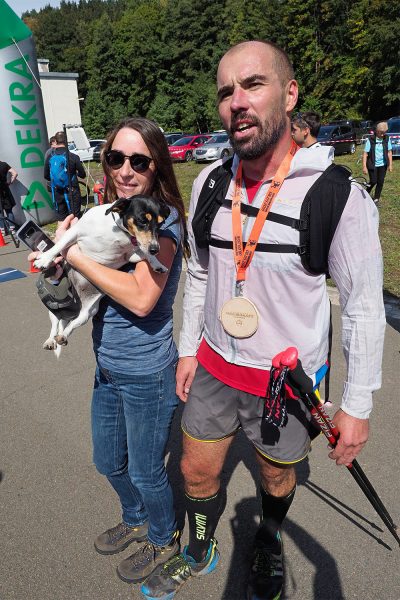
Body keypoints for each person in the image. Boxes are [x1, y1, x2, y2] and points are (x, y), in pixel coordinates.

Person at [141, 40, 386, 600]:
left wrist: (357, 406)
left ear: (290, 93)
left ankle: (269, 539)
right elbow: (200, 274)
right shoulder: (209, 184)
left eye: (253, 84)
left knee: (277, 476)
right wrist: (185, 349)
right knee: (196, 472)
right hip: (214, 367)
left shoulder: (336, 196)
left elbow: (365, 306)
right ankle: (200, 549)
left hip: (287, 383)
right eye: (227, 91)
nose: (237, 102)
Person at [33, 118, 188, 586]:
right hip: (108, 363)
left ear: (156, 163)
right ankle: (136, 515)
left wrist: (75, 251)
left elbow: (142, 298)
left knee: (146, 470)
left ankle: (163, 538)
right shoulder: (111, 212)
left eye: (138, 160)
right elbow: (84, 280)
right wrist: (57, 260)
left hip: (147, 370)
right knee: (107, 461)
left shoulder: (160, 221)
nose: (124, 168)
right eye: (115, 158)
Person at [43, 130, 86, 220]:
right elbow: (82, 175)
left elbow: (46, 176)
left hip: (57, 191)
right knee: (75, 218)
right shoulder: (73, 157)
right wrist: (74, 173)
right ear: (66, 141)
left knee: (62, 219)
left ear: (55, 141)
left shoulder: (50, 157)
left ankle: (62, 233)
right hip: (72, 190)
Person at [362, 121, 393, 205]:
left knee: (380, 182)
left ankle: (376, 198)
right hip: (372, 164)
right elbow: (365, 153)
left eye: (384, 133)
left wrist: (390, 164)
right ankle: (366, 193)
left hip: (383, 165)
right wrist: (364, 166)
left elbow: (389, 152)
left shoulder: (387, 139)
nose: (383, 135)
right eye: (381, 133)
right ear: (377, 131)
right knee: (373, 181)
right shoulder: (370, 140)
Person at [0, 160, 18, 235]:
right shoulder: (4, 164)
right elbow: (15, 173)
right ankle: (12, 229)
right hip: (5, 189)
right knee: (9, 210)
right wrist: (10, 182)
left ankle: (3, 230)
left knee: (0, 212)